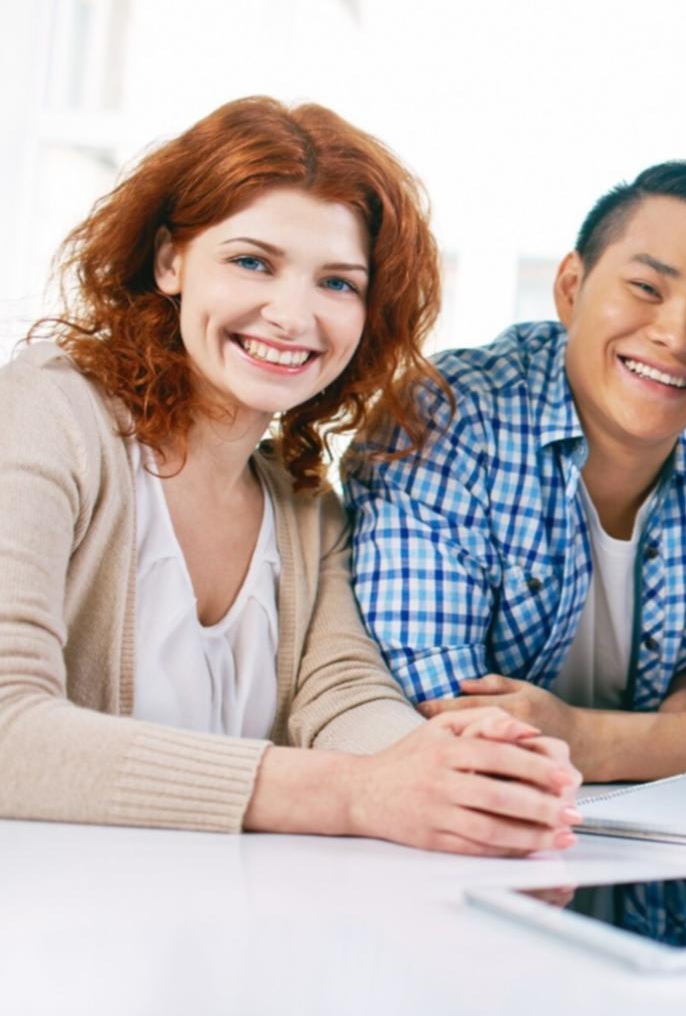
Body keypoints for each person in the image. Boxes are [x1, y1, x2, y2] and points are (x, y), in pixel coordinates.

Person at [0, 97, 581, 857]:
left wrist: (459, 763)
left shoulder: (306, 503)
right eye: (252, 262)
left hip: (217, 933)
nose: (292, 314)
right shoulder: (47, 411)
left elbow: (343, 695)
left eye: (337, 283)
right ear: (171, 260)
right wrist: (354, 792)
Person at [345, 162, 686, 783]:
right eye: (646, 288)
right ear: (570, 286)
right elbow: (444, 723)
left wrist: (587, 738)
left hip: (676, 873)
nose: (675, 334)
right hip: (469, 859)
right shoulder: (451, 417)